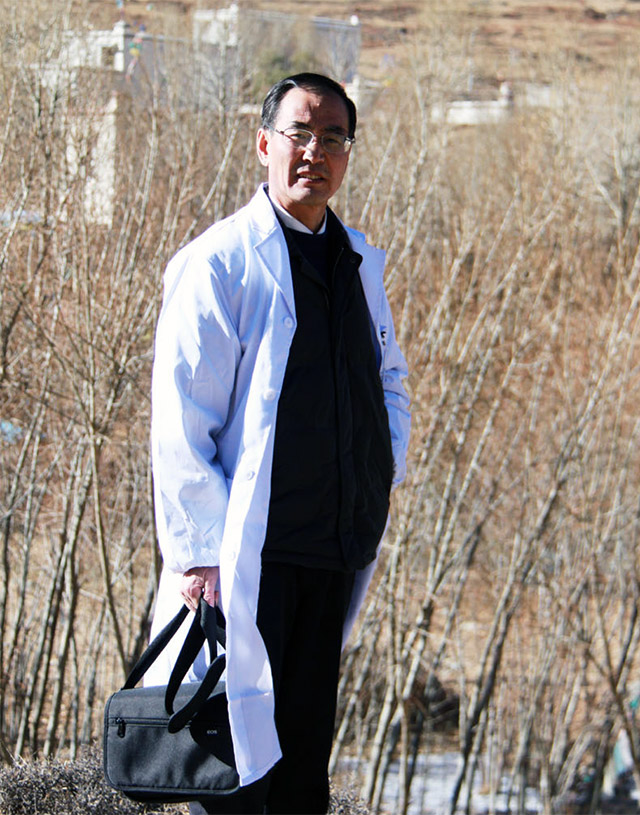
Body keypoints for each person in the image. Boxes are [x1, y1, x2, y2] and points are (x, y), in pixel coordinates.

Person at [146, 73, 410, 814]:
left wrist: (378, 470)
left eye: (333, 138)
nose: (314, 152)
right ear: (264, 143)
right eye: (299, 133)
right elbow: (181, 420)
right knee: (233, 773)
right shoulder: (221, 261)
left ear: (348, 154)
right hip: (247, 560)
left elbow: (388, 379)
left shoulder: (357, 263)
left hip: (332, 550)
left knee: (301, 772)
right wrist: (200, 554)